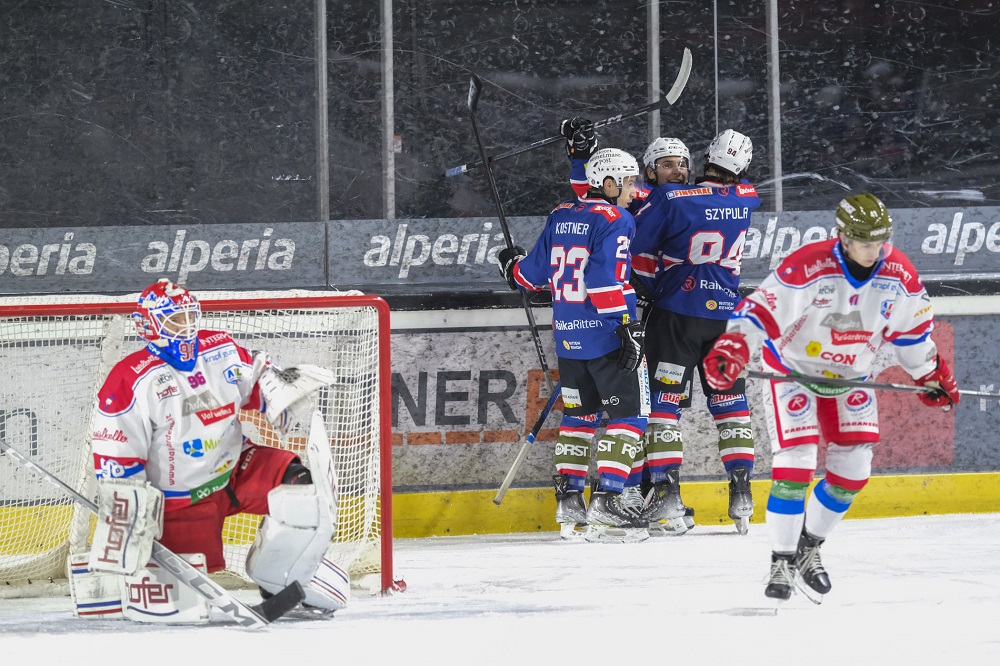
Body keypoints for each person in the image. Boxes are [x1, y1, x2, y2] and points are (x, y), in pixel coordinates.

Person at [701, 193, 960, 602]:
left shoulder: (899, 274)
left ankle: (809, 548)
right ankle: (781, 560)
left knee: (853, 472)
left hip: (851, 374)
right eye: (863, 242)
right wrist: (734, 346)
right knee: (796, 462)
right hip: (791, 369)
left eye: (878, 242)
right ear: (842, 236)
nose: (872, 251)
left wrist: (929, 374)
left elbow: (911, 335)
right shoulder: (809, 264)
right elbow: (760, 311)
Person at [84, 278, 348, 620]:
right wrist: (133, 515)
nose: (187, 327)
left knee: (306, 489)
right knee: (186, 605)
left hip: (237, 470)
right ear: (148, 326)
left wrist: (280, 393)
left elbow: (257, 383)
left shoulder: (220, 349)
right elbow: (116, 458)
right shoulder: (129, 381)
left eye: (190, 316)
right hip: (181, 503)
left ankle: (280, 582)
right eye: (175, 320)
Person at [498, 148, 651, 543]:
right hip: (605, 336)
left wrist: (509, 265)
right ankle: (608, 499)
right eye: (631, 182)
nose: (636, 191)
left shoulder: (561, 213)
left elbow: (530, 277)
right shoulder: (618, 218)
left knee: (579, 419)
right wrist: (626, 326)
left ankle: (569, 503)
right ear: (610, 183)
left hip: (568, 336)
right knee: (630, 418)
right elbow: (603, 283)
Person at [561, 117, 694, 534]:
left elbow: (591, 201)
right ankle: (628, 494)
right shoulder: (627, 201)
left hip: (654, 313)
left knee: (650, 409)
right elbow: (589, 199)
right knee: (636, 409)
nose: (678, 172)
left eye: (682, 164)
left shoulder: (660, 200)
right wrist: (580, 158)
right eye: (667, 165)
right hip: (625, 314)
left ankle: (656, 495)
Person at [630, 129, 762, 535]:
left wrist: (653, 289)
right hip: (727, 317)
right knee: (732, 403)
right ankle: (742, 493)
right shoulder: (746, 199)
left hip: (677, 314)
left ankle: (667, 496)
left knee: (666, 407)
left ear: (705, 158)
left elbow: (634, 248)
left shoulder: (671, 199)